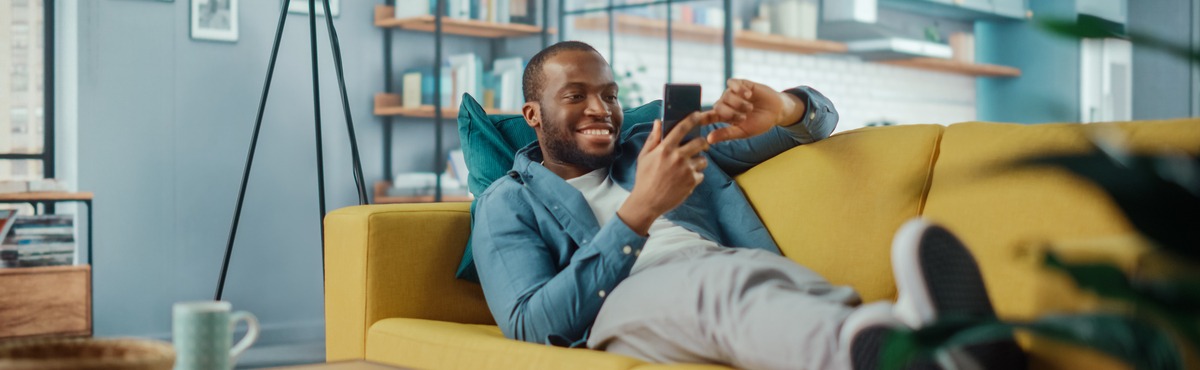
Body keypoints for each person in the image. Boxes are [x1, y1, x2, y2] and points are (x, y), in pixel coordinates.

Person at [470, 41, 1026, 370]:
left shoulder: (659, 142)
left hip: (733, 265)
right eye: (576, 96)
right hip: (620, 304)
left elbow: (819, 123)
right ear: (533, 115)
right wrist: (637, 215)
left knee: (784, 286)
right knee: (716, 291)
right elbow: (529, 325)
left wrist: (784, 108)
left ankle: (921, 340)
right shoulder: (508, 202)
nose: (602, 109)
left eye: (610, 95)